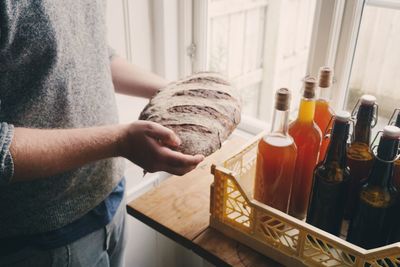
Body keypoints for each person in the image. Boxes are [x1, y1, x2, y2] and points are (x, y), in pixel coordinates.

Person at [0, 1, 204, 266]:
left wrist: (171, 92)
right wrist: (119, 141)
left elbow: (93, 53)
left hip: (110, 196)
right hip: (43, 236)